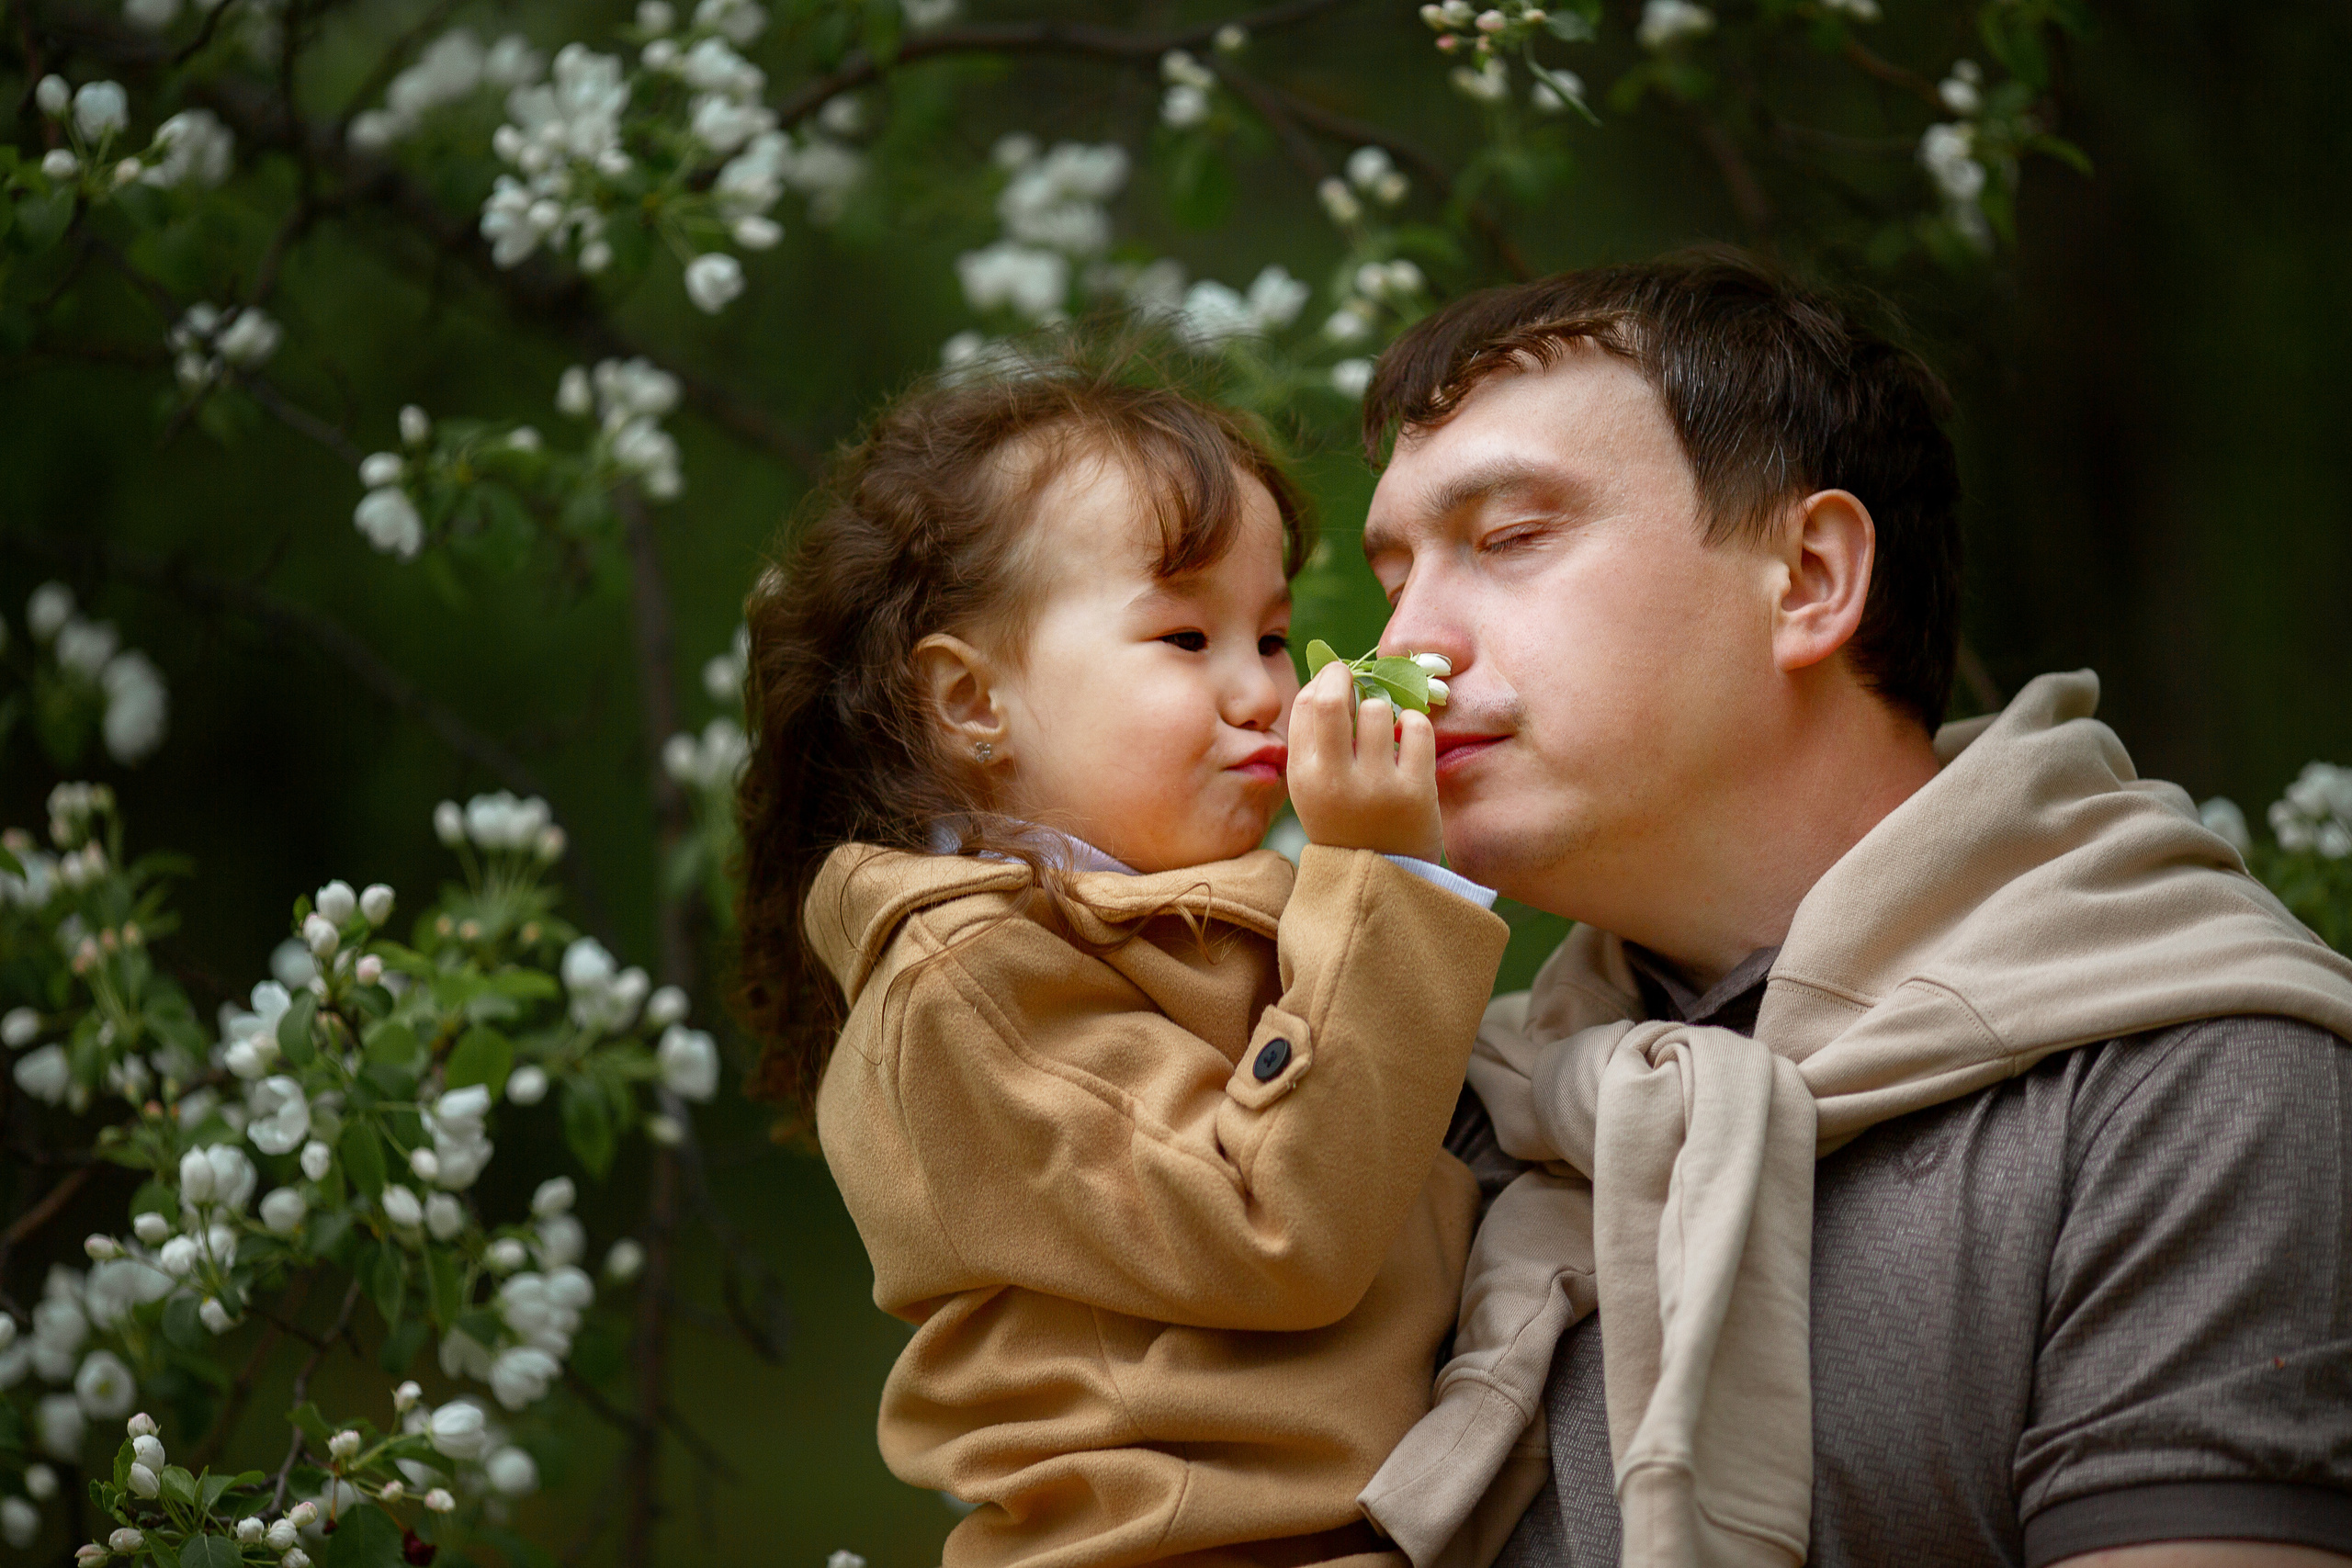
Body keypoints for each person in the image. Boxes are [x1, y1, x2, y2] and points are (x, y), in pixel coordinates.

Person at [1344, 251, 2352, 1568]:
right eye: (1393, 585)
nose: (1401, 654)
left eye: (1511, 540)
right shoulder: (1423, 1118)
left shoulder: (2192, 1082)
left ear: (1810, 577)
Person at [730, 349, 1511, 1568]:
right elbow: (1272, 1224)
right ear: (972, 703)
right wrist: (1389, 882)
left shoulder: (1189, 920)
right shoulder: (966, 979)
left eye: (1272, 636)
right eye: (1186, 636)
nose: (1260, 691)